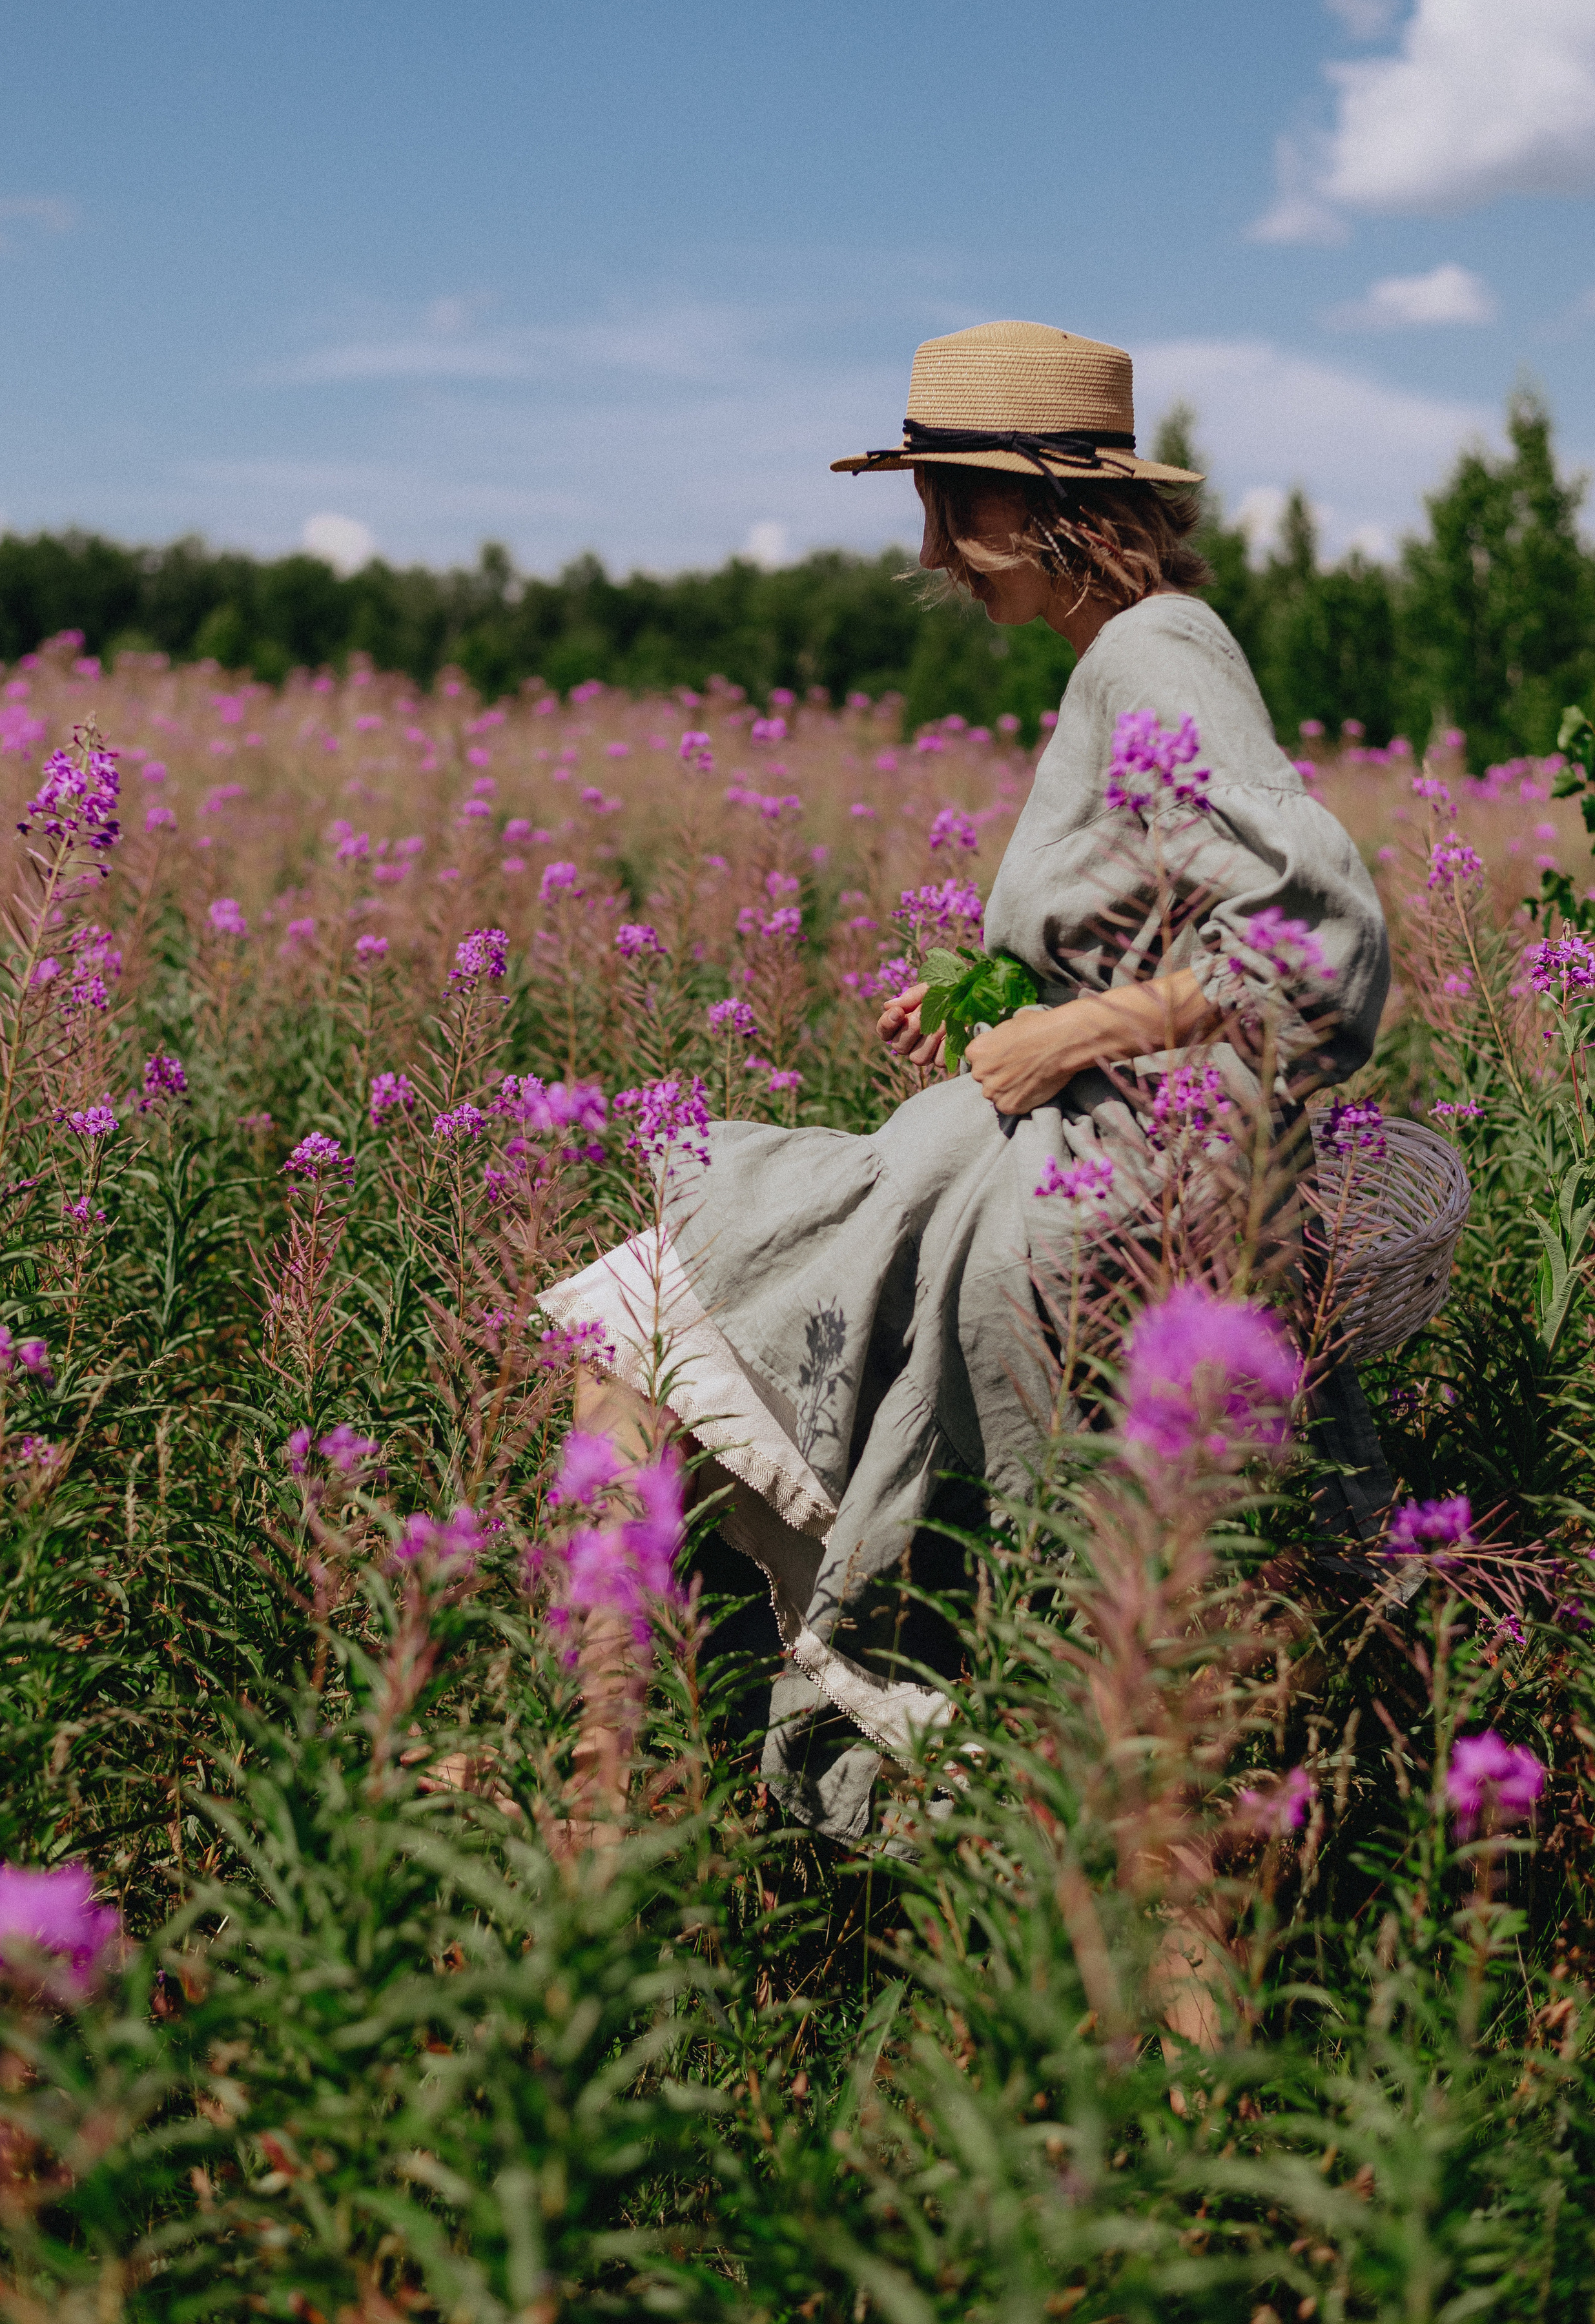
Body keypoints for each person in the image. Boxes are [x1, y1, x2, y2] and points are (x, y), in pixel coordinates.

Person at [540, 320, 1391, 1844]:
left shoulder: (1152, 654)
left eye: (960, 501)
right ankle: (615, 1805)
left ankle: (601, 1822)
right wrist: (993, 997)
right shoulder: (1126, 655)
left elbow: (1312, 944)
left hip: (1073, 1184)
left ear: (1065, 505)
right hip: (1038, 1150)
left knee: (631, 1344)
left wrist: (1070, 1036)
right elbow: (1157, 924)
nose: (934, 545)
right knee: (640, 1338)